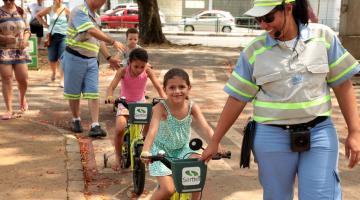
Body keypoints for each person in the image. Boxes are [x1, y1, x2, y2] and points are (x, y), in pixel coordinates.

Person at [200, 0, 360, 200]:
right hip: (272, 136)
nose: (263, 25)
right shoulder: (254, 51)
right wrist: (215, 141)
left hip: (319, 133)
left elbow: (342, 85)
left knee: (320, 195)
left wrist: (355, 132)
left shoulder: (323, 37)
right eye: (259, 19)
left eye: (268, 18)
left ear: (288, 8)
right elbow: (236, 99)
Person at [141, 68, 216, 200]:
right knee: (168, 190)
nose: (177, 91)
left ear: (189, 88)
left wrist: (216, 143)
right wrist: (146, 150)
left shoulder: (192, 106)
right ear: (165, 89)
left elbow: (206, 127)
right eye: (172, 87)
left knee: (198, 170)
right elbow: (152, 131)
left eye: (182, 87)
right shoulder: (161, 107)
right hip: (161, 152)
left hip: (183, 150)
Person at [61, 0, 125, 137]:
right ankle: (76, 119)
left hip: (91, 60)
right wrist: (113, 41)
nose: (102, 3)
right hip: (74, 56)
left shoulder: (96, 16)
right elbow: (91, 31)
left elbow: (98, 39)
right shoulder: (79, 11)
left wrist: (108, 58)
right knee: (74, 92)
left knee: (93, 92)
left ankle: (95, 125)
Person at [106, 48, 166, 170]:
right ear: (129, 63)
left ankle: (145, 145)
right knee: (119, 128)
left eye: (142, 67)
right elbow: (111, 87)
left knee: (150, 121)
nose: (139, 70)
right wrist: (110, 96)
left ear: (146, 65)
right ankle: (118, 157)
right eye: (136, 66)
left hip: (140, 103)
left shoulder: (148, 71)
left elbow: (159, 87)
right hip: (125, 103)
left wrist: (165, 99)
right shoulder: (123, 71)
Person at [0, 0, 31, 120]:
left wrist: (25, 39)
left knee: (23, 79)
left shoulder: (21, 11)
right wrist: (4, 37)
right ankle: (9, 109)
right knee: (7, 78)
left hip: (20, 50)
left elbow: (27, 30)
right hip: (4, 50)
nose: (8, 1)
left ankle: (22, 98)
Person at [36, 0, 70, 87]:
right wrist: (46, 25)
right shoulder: (49, 9)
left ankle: (62, 79)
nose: (57, 0)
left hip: (63, 36)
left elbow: (73, 19)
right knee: (52, 58)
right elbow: (38, 15)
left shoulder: (65, 9)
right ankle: (54, 72)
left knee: (62, 58)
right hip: (52, 36)